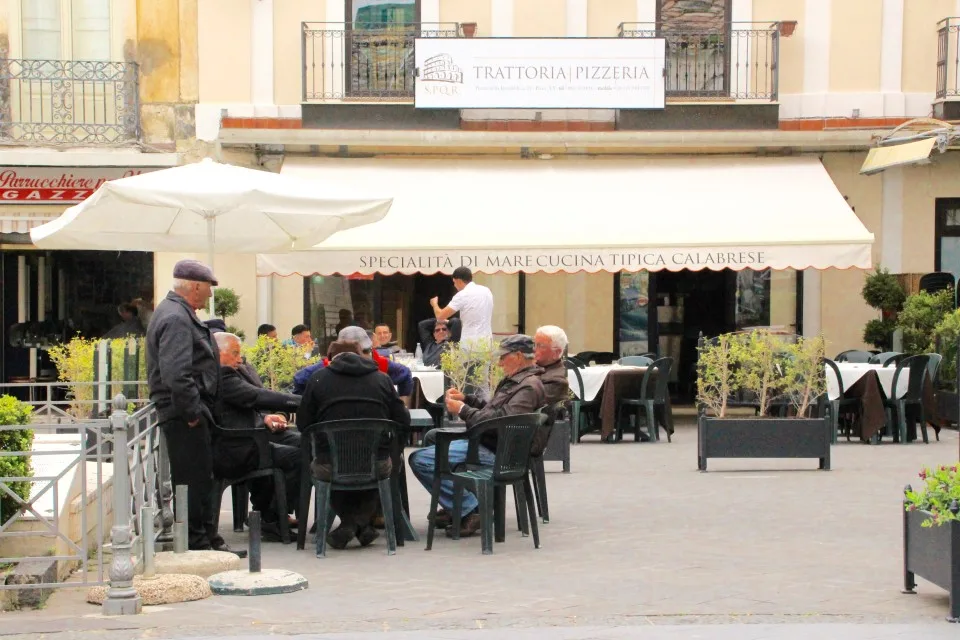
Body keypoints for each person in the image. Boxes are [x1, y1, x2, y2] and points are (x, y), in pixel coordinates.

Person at [146, 259, 244, 556]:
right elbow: (177, 373)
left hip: (187, 409)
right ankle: (197, 544)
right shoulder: (176, 318)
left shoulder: (178, 313)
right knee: (192, 480)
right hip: (183, 413)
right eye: (209, 288)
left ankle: (205, 539)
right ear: (195, 286)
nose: (212, 295)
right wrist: (191, 413)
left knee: (199, 478)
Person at [409, 335, 545, 538]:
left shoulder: (527, 386)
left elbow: (500, 422)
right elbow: (494, 411)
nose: (499, 362)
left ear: (517, 356)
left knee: (419, 459)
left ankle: (469, 508)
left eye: (503, 357)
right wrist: (467, 399)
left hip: (497, 451)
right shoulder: (518, 381)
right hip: (491, 443)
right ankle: (456, 505)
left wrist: (463, 410)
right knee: (433, 438)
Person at [296, 339, 410, 550]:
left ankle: (350, 524)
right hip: (376, 464)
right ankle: (360, 525)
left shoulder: (318, 380)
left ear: (329, 360)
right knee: (389, 464)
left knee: (327, 468)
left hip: (330, 465)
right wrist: (395, 447)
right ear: (361, 354)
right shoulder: (382, 380)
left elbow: (303, 424)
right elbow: (403, 420)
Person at [212, 332, 301, 540]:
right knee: (300, 456)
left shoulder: (225, 372)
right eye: (234, 354)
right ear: (217, 353)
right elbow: (256, 396)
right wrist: (300, 401)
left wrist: (270, 416)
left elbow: (253, 399)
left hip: (250, 434)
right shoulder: (222, 377)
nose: (239, 359)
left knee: (303, 443)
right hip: (239, 446)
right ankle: (272, 516)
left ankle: (271, 512)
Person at [292, 326, 413, 398]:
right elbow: (405, 373)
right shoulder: (381, 366)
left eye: (363, 351)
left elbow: (299, 379)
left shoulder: (326, 366)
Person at [430, 267, 494, 349]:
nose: (454, 285)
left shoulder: (462, 295)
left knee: (469, 362)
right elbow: (475, 316)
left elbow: (440, 316)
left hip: (471, 344)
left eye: (454, 282)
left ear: (459, 281)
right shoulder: (486, 290)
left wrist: (434, 304)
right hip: (487, 341)